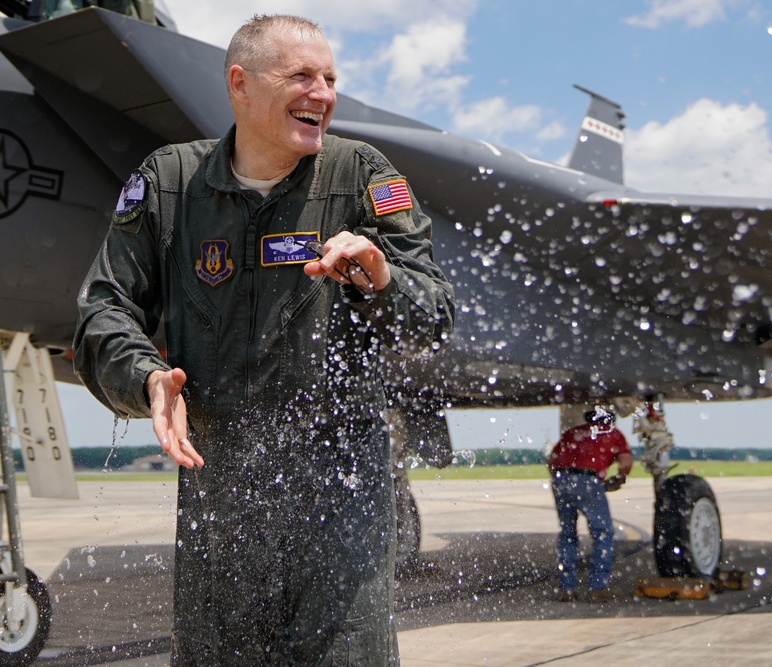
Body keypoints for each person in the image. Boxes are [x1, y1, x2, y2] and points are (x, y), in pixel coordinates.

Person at [73, 14, 455, 665]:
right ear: (240, 84)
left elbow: (435, 313)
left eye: (330, 78)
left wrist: (383, 279)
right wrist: (144, 376)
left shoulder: (363, 176)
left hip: (341, 494)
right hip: (220, 498)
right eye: (302, 76)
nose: (324, 93)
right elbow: (103, 311)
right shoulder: (169, 183)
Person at [546, 407, 633, 602]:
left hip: (561, 478)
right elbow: (625, 462)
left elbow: (551, 460)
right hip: (588, 479)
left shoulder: (573, 432)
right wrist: (619, 479)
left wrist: (565, 481)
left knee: (568, 533)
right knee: (603, 533)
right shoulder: (612, 433)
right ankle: (597, 587)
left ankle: (567, 587)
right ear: (610, 420)